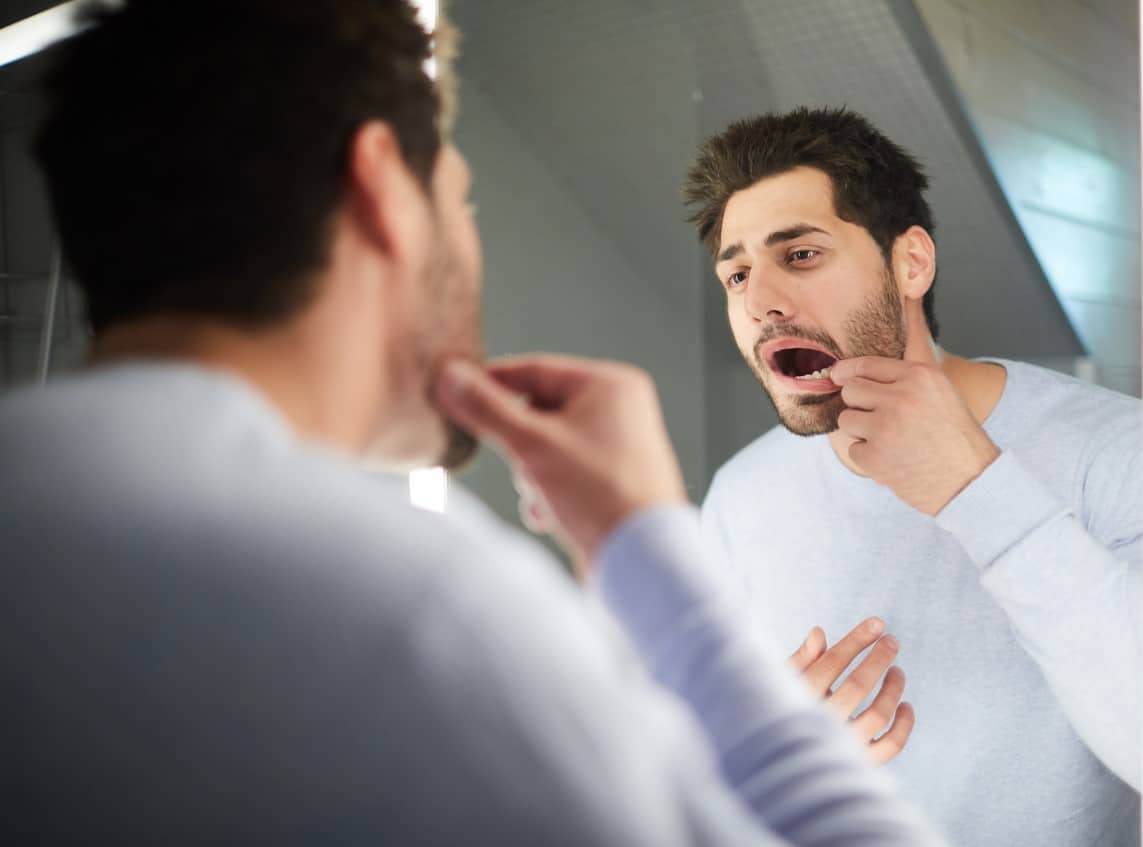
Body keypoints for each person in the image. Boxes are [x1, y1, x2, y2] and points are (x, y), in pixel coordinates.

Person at [0, 3, 945, 845]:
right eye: (462, 198)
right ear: (383, 189)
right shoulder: (417, 610)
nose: (761, 296)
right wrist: (649, 550)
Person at [685, 106, 1141, 846]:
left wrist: (973, 486)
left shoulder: (1118, 451)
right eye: (736, 273)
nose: (759, 299)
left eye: (798, 255)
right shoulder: (742, 494)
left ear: (911, 263)